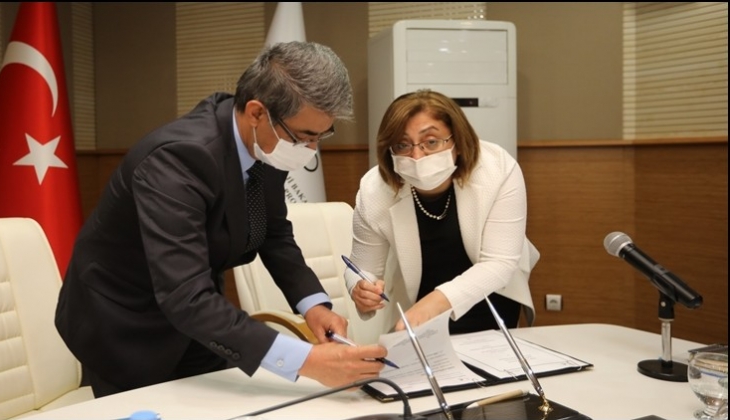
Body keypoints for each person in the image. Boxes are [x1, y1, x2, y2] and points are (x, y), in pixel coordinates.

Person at [55, 41, 387, 398]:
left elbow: (274, 233)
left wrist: (314, 306)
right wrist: (305, 361)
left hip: (199, 318)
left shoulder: (269, 142)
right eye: (305, 136)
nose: (310, 150)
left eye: (321, 136)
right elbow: (186, 296)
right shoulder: (176, 160)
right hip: (125, 324)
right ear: (257, 113)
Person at [345, 89, 540, 335]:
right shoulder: (375, 190)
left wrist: (436, 302)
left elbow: (499, 262)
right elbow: (362, 267)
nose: (417, 156)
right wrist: (359, 287)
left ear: (457, 141)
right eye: (403, 145)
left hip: (492, 297)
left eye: (431, 142)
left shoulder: (497, 169)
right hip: (418, 308)